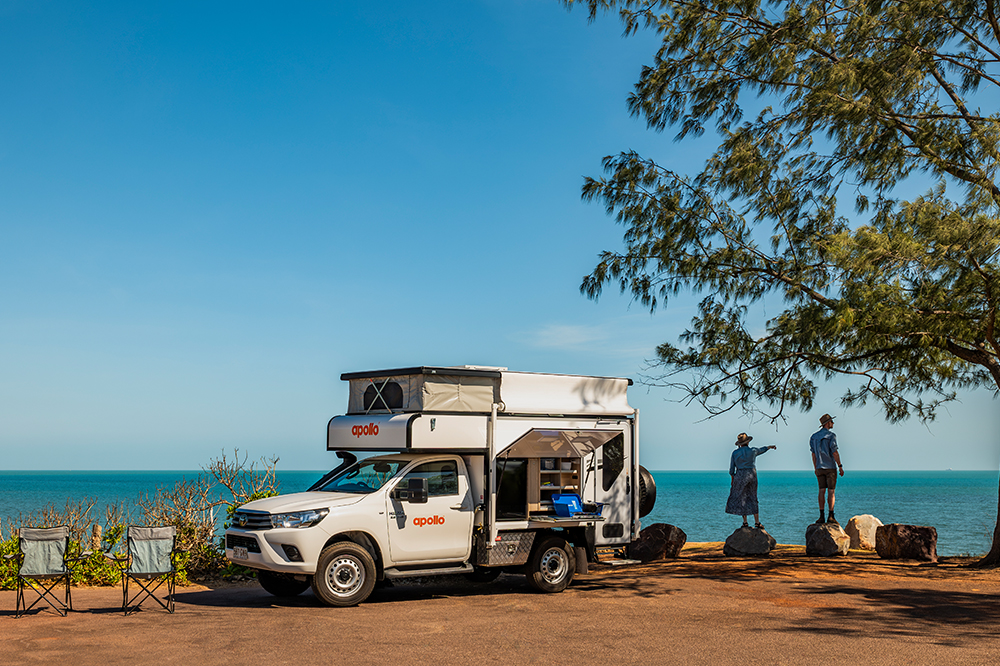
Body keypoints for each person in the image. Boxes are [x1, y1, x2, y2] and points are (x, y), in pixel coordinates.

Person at [725, 433, 777, 529]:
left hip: (740, 475)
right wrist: (769, 447)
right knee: (753, 497)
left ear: (739, 444)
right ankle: (757, 522)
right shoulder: (753, 451)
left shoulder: (735, 453)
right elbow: (762, 450)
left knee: (741, 498)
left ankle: (745, 522)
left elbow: (732, 469)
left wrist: (733, 479)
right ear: (748, 442)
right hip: (751, 474)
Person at [810, 413, 844, 524]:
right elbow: (835, 452)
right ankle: (831, 516)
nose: (833, 423)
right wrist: (840, 466)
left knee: (821, 491)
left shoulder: (813, 437)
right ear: (827, 423)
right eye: (831, 422)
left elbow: (813, 455)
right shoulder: (831, 436)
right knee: (831, 492)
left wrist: (816, 468)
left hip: (819, 467)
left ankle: (821, 516)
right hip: (830, 467)